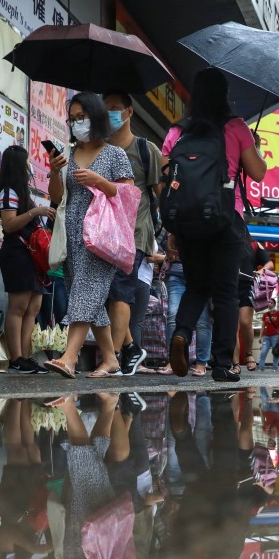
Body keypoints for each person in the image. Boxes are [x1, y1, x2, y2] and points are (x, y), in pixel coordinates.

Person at [163, 68, 267, 383]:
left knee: (196, 285)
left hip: (187, 220)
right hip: (225, 218)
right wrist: (254, 147)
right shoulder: (236, 127)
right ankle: (222, 364)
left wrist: (172, 230)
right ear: (224, 95)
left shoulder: (179, 130)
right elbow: (258, 173)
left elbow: (169, 179)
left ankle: (181, 333)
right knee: (224, 292)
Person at [43, 93, 136, 379]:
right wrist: (55, 173)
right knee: (88, 297)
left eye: (80, 117)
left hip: (102, 238)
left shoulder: (115, 154)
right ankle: (110, 359)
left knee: (85, 293)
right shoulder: (70, 155)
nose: (75, 123)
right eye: (72, 119)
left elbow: (129, 196)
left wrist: (99, 181)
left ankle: (69, 357)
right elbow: (57, 198)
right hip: (73, 235)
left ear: (95, 117)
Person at [104, 90, 164, 376]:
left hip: (134, 232)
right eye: (106, 109)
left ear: (129, 112)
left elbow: (160, 193)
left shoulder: (145, 149)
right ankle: (129, 347)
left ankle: (112, 358)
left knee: (120, 292)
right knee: (105, 294)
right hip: (103, 233)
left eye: (115, 108)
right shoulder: (99, 148)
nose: (110, 114)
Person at [0, 145, 56, 374]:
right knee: (18, 306)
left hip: (30, 257)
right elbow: (8, 225)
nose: (30, 166)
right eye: (27, 161)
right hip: (17, 254)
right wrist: (35, 213)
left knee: (33, 306)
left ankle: (26, 356)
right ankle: (16, 358)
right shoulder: (8, 192)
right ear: (19, 164)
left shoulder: (22, 192)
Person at [161, 232, 212, 377]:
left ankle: (201, 362)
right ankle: (174, 360)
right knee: (173, 314)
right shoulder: (173, 224)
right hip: (177, 273)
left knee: (202, 321)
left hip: (199, 272)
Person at [236, 235, 273, 374]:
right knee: (233, 326)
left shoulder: (253, 244)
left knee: (246, 323)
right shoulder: (225, 239)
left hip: (247, 286)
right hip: (228, 285)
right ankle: (234, 363)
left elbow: (269, 264)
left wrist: (260, 271)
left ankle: (248, 354)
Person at [257, 306, 279, 372]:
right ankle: (261, 368)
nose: (269, 304)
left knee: (275, 352)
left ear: (274, 304)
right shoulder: (265, 314)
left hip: (275, 336)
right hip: (266, 336)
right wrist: (260, 337)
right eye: (268, 303)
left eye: (271, 302)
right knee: (263, 352)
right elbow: (263, 326)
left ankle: (274, 368)